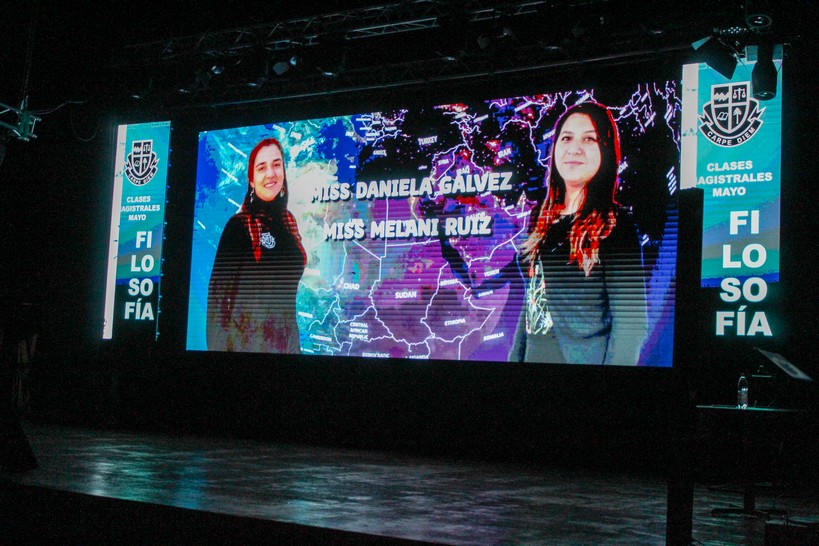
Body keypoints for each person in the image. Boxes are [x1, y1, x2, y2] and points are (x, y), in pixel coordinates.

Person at [509, 102, 647, 365]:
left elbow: (631, 325)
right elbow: (535, 297)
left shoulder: (616, 224)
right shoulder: (541, 217)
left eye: (589, 139)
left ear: (605, 150)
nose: (574, 148)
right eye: (567, 138)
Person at [207, 138, 306, 353]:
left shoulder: (289, 223)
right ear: (251, 180)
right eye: (261, 168)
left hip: (287, 347)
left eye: (276, 165)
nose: (271, 173)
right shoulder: (239, 226)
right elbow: (217, 299)